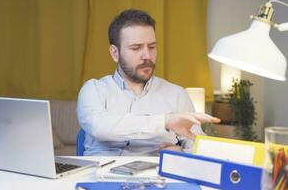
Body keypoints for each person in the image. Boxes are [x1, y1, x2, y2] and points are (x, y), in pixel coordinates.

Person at [77, 9, 220, 156]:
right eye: (136, 48)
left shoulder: (177, 94)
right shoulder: (94, 90)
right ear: (115, 53)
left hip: (156, 177)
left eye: (152, 47)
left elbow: (200, 147)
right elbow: (100, 127)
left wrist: (183, 153)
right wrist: (165, 121)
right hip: (102, 176)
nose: (147, 55)